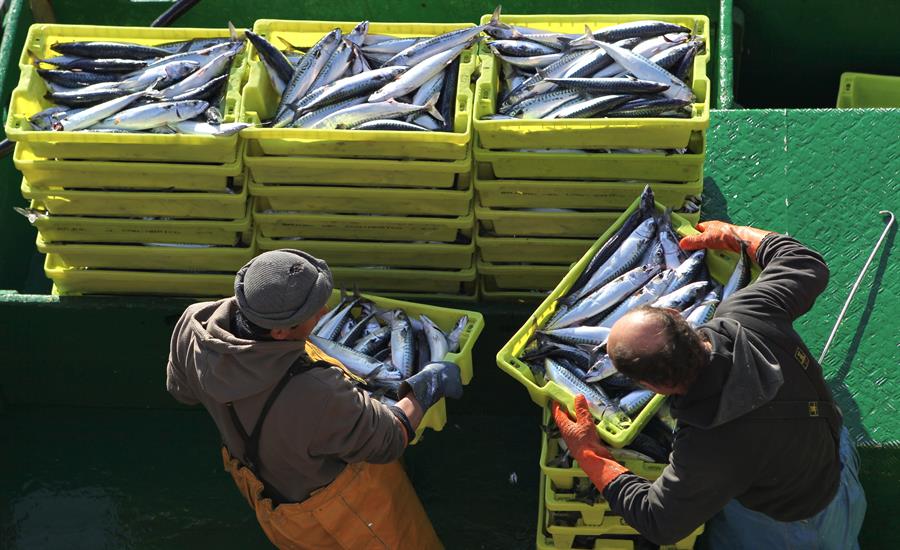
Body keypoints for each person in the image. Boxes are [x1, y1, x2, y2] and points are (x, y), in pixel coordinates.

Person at [552, 221, 867, 549]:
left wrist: (588, 452)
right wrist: (734, 235)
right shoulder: (748, 313)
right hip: (832, 455)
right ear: (678, 316)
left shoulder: (704, 447)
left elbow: (658, 522)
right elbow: (805, 262)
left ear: (652, 386)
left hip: (791, 521)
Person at [166, 249, 462, 549]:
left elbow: (182, 391)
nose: (323, 312)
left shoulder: (194, 325)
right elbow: (389, 438)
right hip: (346, 513)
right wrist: (423, 389)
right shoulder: (317, 391)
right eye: (312, 312)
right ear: (280, 331)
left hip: (271, 502)